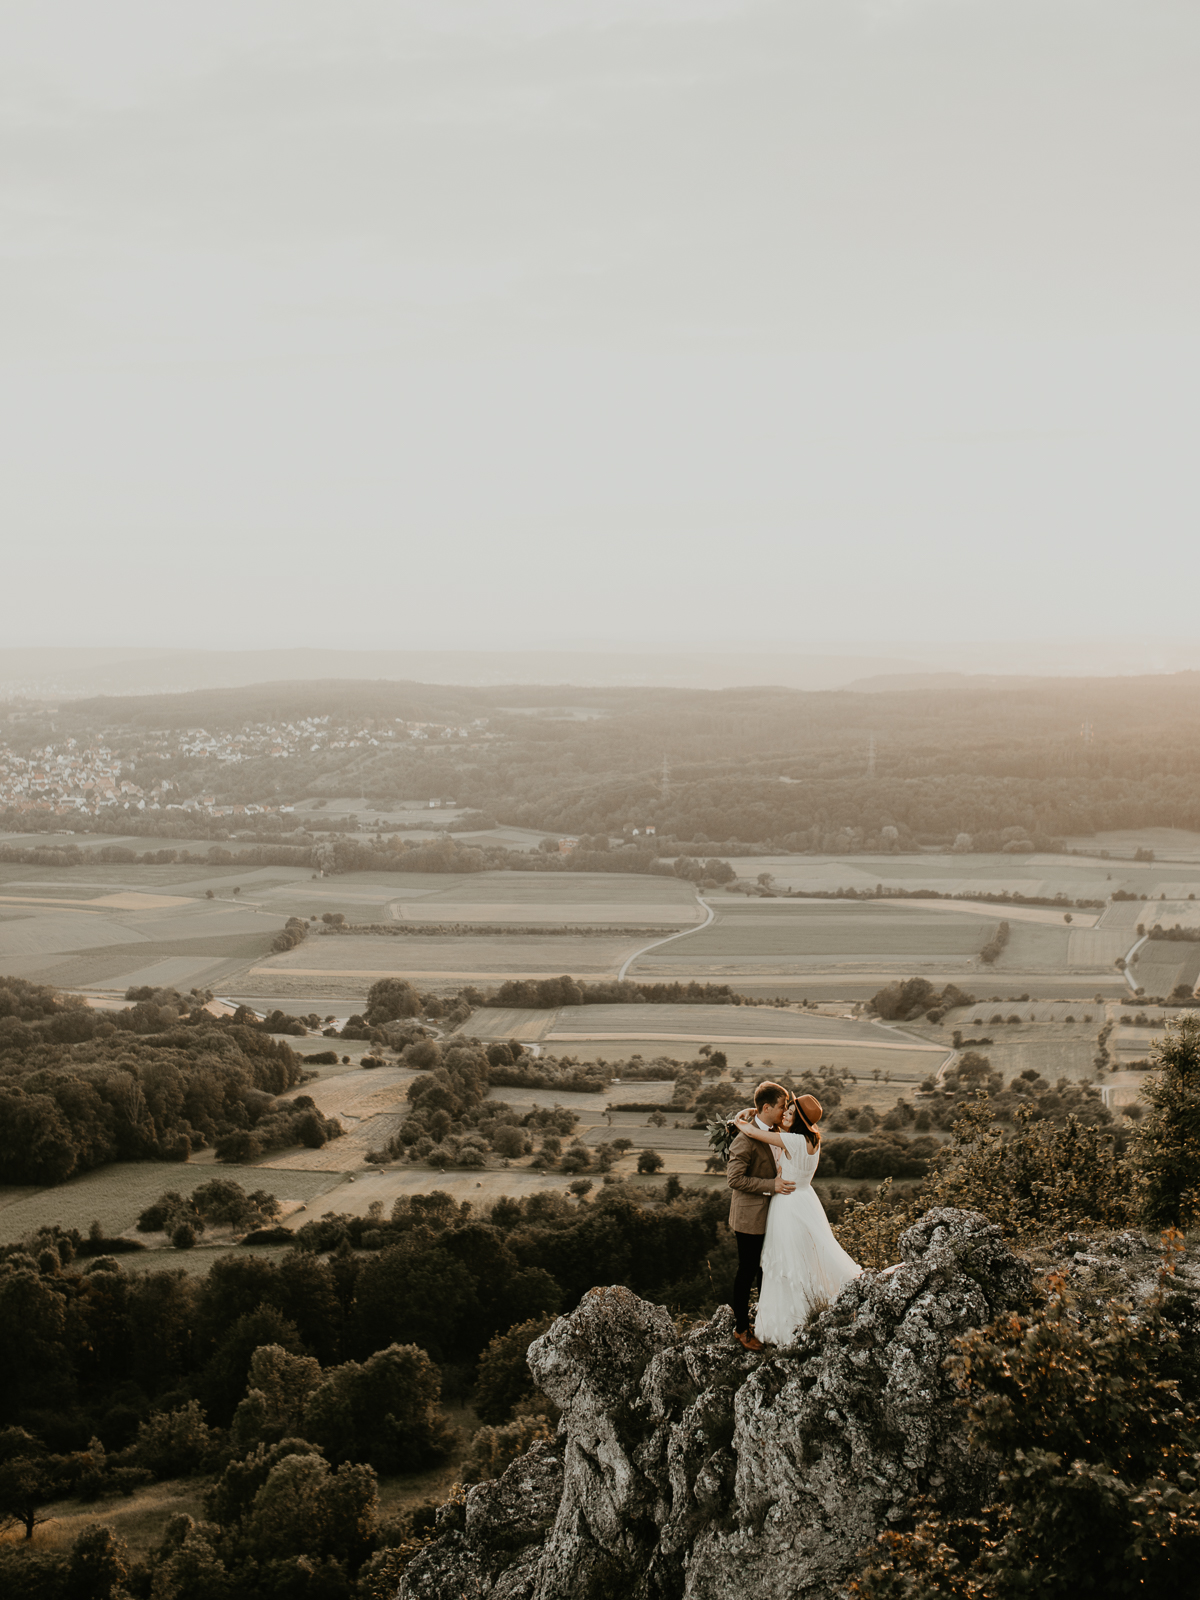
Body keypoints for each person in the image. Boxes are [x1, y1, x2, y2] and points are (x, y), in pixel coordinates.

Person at [733, 1093, 862, 1347]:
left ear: (799, 1121)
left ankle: (786, 1319)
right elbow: (782, 1130)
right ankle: (807, 1309)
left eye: (790, 1112)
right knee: (803, 1262)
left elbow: (756, 1133)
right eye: (785, 1110)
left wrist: (740, 1120)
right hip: (806, 1202)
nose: (785, 1115)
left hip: (787, 1207)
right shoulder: (813, 1139)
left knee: (783, 1264)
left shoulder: (790, 1141)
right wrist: (760, 1110)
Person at [726, 1081, 796, 1352]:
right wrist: (771, 1186)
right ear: (767, 1108)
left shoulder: (776, 1130)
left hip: (773, 1216)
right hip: (750, 1217)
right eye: (781, 1106)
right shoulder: (745, 1139)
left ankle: (767, 1320)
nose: (785, 1111)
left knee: (767, 1269)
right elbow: (734, 1179)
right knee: (748, 1271)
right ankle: (742, 1329)